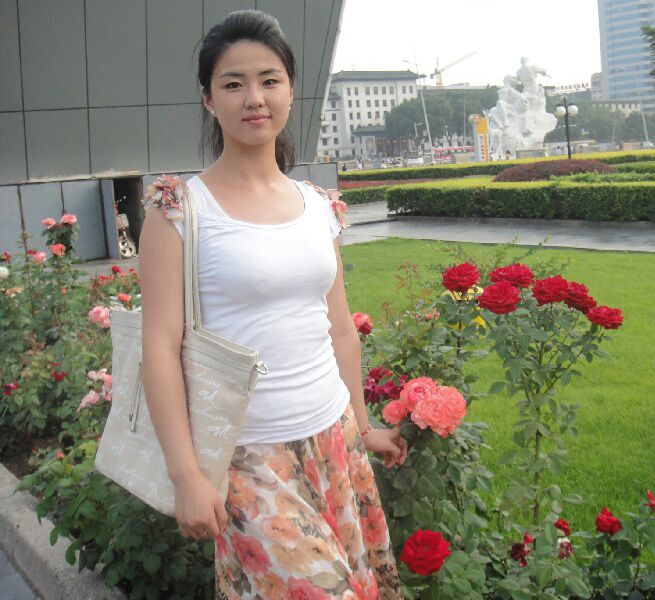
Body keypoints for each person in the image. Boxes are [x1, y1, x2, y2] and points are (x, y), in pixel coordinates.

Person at [138, 10, 406, 599]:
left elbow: (339, 328)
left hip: (334, 438)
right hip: (247, 459)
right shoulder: (179, 209)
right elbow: (158, 346)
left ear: (290, 90)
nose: (254, 98)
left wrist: (363, 426)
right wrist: (186, 475)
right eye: (233, 83)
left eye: (269, 80)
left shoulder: (318, 205)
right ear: (208, 99)